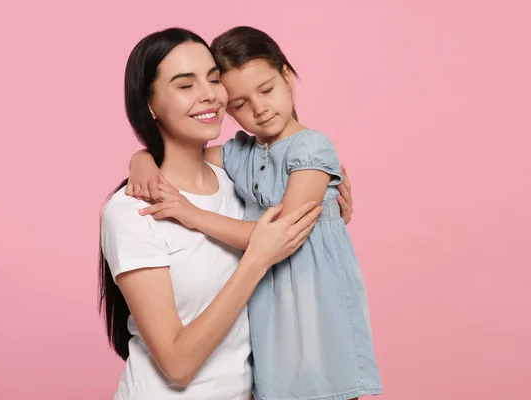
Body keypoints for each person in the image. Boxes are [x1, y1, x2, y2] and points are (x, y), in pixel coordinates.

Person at [98, 28, 354, 400]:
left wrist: (329, 214)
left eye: (214, 79)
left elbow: (294, 261)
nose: (208, 94)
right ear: (150, 104)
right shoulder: (134, 210)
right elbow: (178, 366)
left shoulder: (240, 182)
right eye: (185, 85)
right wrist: (258, 258)